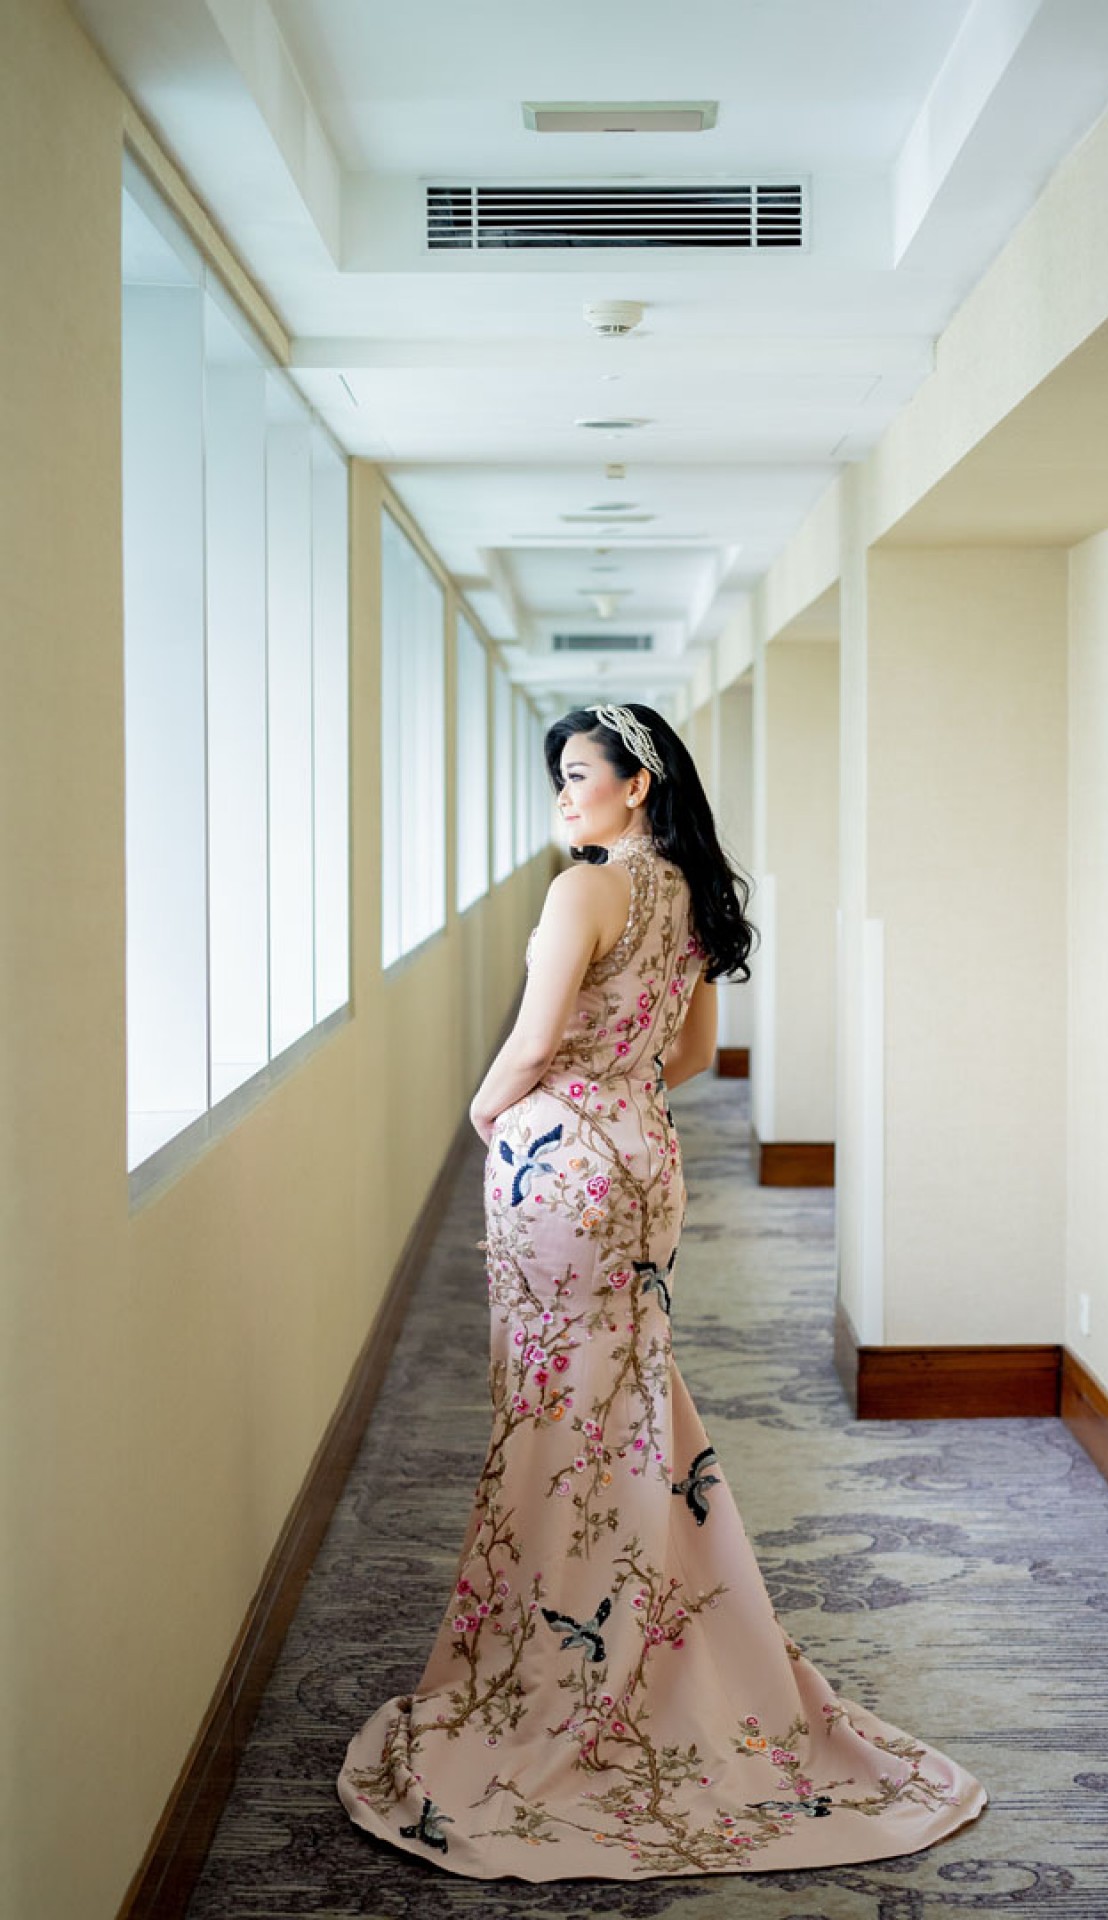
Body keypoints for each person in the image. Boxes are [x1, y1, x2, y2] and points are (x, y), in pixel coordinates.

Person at [336, 701, 987, 1879]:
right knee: (626, 1394)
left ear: (635, 782)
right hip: (643, 1155)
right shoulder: (691, 889)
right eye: (556, 778)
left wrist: (487, 1110)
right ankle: (646, 1621)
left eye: (578, 774)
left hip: (558, 1160)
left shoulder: (582, 890)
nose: (563, 795)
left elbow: (532, 1042)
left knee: (552, 1402)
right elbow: (686, 1056)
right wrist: (615, 1091)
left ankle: (562, 1646)